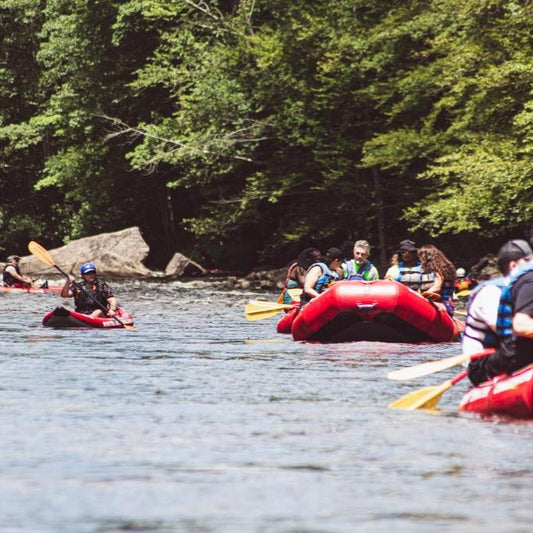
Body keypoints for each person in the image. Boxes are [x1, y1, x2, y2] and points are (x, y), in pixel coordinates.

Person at [467, 239, 533, 385]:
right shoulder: (491, 292)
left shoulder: (519, 288)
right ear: (514, 265)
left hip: (511, 353)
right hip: (483, 364)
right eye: (528, 260)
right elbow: (511, 329)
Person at [417, 244, 456, 315]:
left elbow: (437, 287)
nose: (420, 259)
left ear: (426, 257)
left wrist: (420, 298)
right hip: (449, 304)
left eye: (420, 257)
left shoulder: (437, 270)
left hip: (442, 305)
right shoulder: (444, 267)